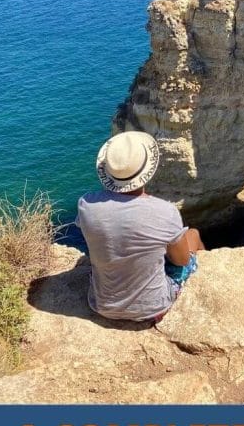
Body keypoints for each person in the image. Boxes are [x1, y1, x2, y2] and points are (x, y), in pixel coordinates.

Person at [76, 130, 205, 323]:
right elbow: (181, 261)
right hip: (153, 308)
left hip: (100, 305)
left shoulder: (86, 204)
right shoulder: (165, 211)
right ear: (148, 172)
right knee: (193, 235)